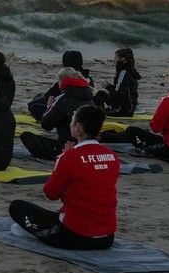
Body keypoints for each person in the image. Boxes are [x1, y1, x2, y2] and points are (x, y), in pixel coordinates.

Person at [9, 104, 119, 249]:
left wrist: (61, 161)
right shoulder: (112, 156)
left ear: (78, 128)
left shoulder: (69, 157)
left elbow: (51, 193)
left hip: (77, 235)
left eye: (72, 122)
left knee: (17, 208)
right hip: (107, 237)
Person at [21, 68, 95, 162]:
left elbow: (46, 124)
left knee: (27, 136)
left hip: (68, 147)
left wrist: (49, 107)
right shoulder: (90, 98)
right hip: (88, 147)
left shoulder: (64, 98)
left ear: (62, 81)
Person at [27, 49, 86, 123]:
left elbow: (50, 94)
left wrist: (49, 106)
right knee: (39, 97)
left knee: (33, 106)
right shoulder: (86, 78)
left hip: (66, 112)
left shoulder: (68, 79)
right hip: (78, 110)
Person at [95, 47, 140, 117]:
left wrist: (108, 87)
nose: (113, 60)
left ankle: (107, 111)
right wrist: (109, 86)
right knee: (101, 93)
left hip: (123, 110)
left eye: (115, 58)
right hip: (128, 108)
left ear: (123, 59)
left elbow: (119, 94)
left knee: (97, 97)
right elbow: (122, 90)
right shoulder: (129, 70)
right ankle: (109, 108)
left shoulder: (124, 72)